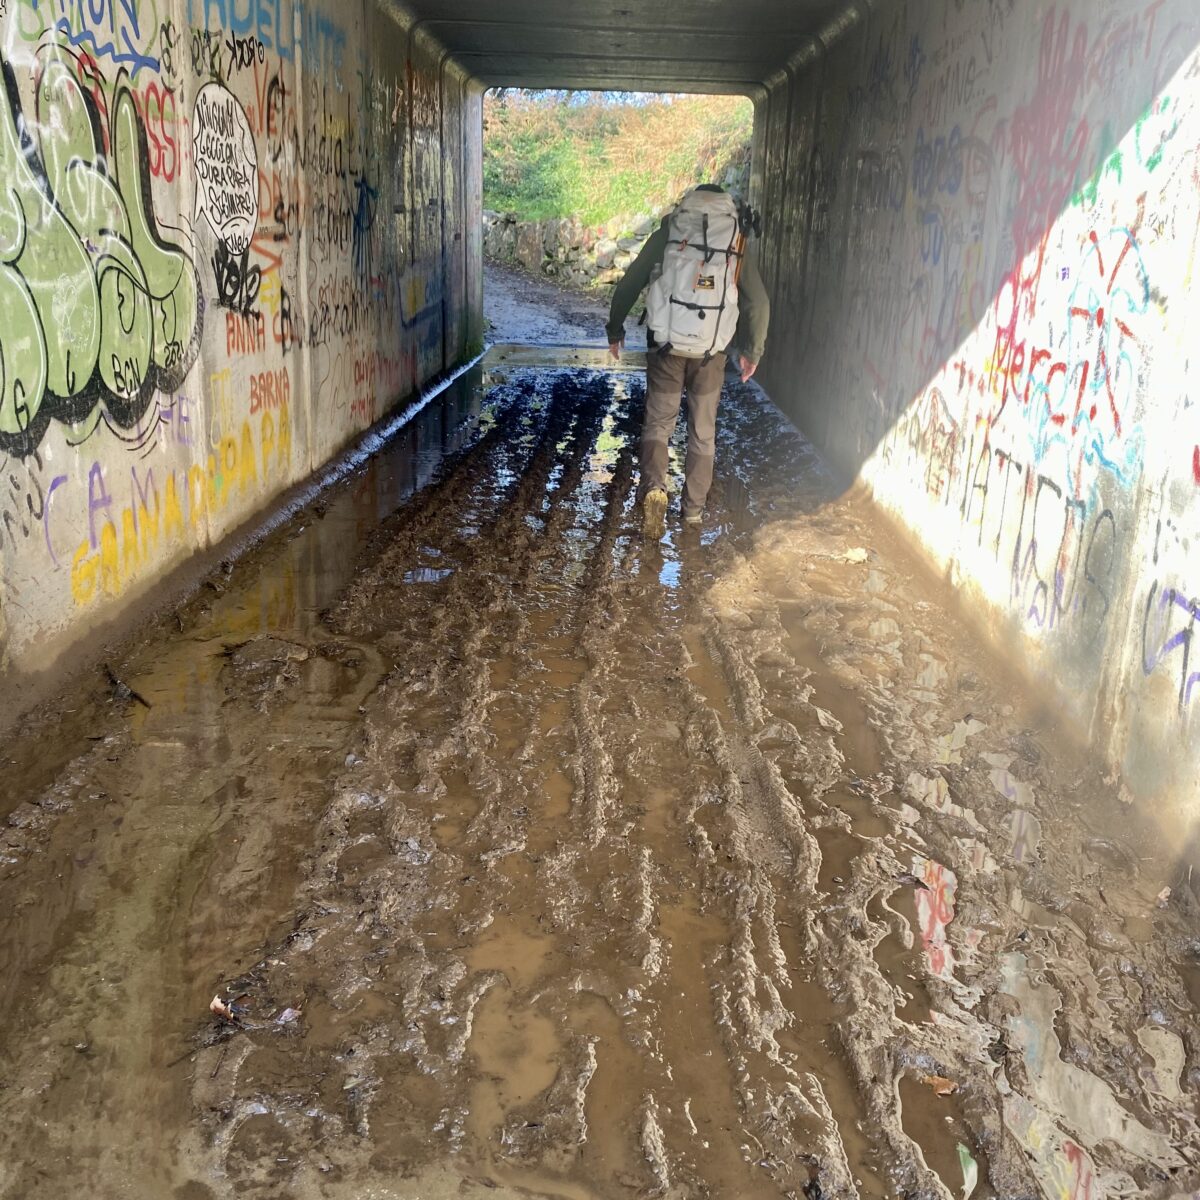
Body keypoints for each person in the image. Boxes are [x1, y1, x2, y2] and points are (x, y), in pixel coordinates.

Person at [606, 184, 770, 534]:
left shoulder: (672, 228)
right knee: (702, 433)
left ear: (690, 201)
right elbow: (758, 302)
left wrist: (615, 328)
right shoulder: (735, 237)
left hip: (666, 348)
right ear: (725, 203)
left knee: (658, 424)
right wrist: (751, 352)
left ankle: (654, 488)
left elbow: (632, 280)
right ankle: (693, 511)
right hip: (711, 353)